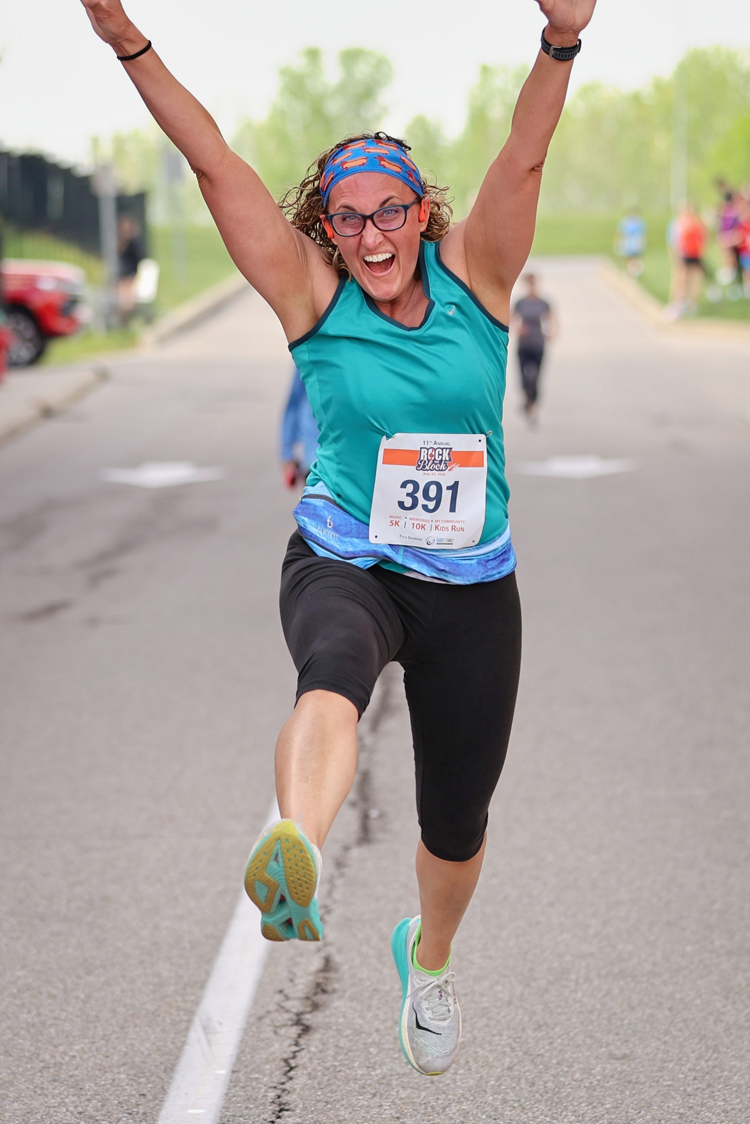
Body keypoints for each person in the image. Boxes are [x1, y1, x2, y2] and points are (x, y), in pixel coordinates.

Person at [81, 0, 597, 1076]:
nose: (370, 237)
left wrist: (560, 42)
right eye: (347, 218)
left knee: (457, 817)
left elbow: (528, 150)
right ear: (324, 230)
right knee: (329, 671)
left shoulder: (481, 277)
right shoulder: (313, 297)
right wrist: (128, 39)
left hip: (472, 580)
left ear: (422, 213)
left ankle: (432, 954)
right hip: (345, 554)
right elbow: (213, 160)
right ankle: (298, 849)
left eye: (389, 214)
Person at [511, 273, 556, 425]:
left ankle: (533, 407)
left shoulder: (543, 303)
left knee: (536, 378)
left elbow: (551, 320)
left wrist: (551, 332)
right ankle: (527, 399)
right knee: (524, 377)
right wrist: (518, 329)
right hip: (524, 344)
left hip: (538, 343)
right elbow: (512, 319)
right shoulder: (520, 303)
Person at [280, 367, 320, 489]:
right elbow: (295, 399)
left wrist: (287, 452)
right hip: (314, 455)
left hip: (316, 453)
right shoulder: (311, 349)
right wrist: (287, 452)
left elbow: (294, 401)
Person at [117, 214, 145, 325]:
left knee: (128, 299)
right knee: (122, 298)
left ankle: (128, 318)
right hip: (123, 273)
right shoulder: (123, 242)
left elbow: (138, 258)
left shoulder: (133, 243)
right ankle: (124, 319)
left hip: (130, 273)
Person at [615, 209, 647, 276]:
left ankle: (635, 272)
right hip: (628, 242)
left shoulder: (639, 222)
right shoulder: (625, 221)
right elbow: (620, 232)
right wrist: (618, 242)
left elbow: (643, 233)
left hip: (636, 243)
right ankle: (626, 271)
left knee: (635, 258)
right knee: (627, 258)